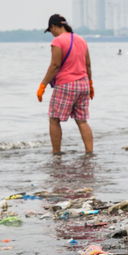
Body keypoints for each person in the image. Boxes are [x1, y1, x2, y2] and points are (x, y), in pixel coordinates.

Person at [37, 13, 94, 154]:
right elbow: (88, 64)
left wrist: (43, 85)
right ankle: (89, 152)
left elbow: (55, 65)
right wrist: (91, 84)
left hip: (66, 85)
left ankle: (56, 152)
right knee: (82, 121)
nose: (52, 34)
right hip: (83, 84)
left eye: (51, 31)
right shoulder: (82, 40)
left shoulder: (58, 41)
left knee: (54, 119)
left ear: (54, 26)